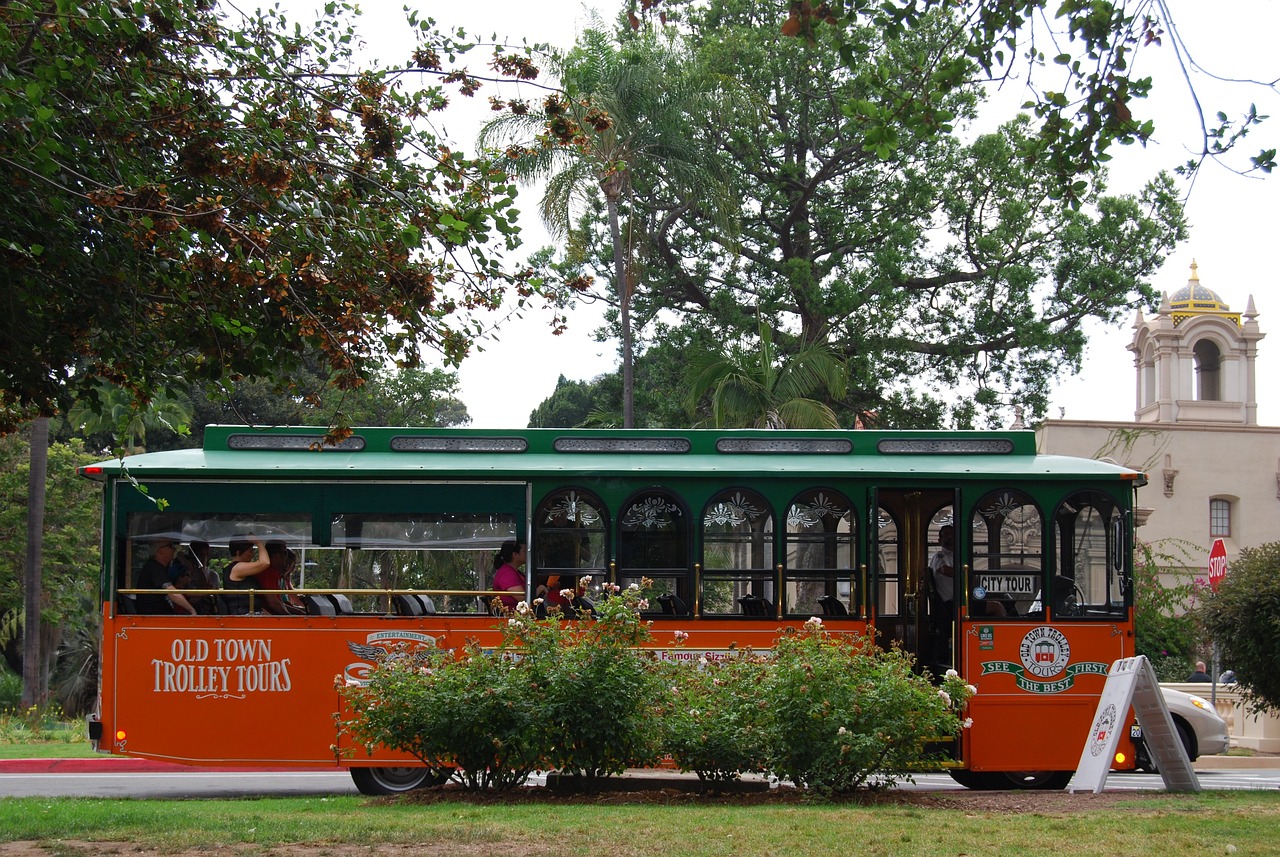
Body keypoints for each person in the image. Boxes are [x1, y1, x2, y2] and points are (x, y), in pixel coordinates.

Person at [136, 539, 197, 615]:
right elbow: (171, 592)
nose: (174, 549)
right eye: (171, 546)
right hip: (155, 618)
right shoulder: (154, 567)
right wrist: (191, 610)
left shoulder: (161, 568)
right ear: (160, 550)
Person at [221, 536, 271, 614]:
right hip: (243, 614)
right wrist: (259, 543)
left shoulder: (238, 568)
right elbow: (265, 563)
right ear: (238, 552)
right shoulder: (237, 568)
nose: (252, 554)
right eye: (250, 551)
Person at [927, 525, 956, 653]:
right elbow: (945, 570)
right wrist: (967, 574)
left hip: (957, 602)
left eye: (952, 534)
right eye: (947, 534)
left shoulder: (957, 556)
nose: (950, 537)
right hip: (950, 605)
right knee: (996, 607)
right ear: (940, 540)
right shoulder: (940, 556)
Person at [256, 542, 306, 615]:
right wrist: (290, 617)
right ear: (276, 555)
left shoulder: (275, 574)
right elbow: (273, 604)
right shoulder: (268, 573)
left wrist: (299, 612)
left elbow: (279, 603)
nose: (285, 557)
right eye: (284, 553)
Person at [172, 541, 218, 615]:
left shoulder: (212, 575)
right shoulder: (179, 587)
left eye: (204, 555)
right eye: (197, 555)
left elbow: (210, 591)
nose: (201, 558)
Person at [491, 540, 527, 611]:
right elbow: (522, 598)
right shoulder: (507, 573)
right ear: (515, 554)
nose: (529, 554)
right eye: (525, 551)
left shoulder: (515, 571)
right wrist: (540, 589)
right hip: (511, 615)